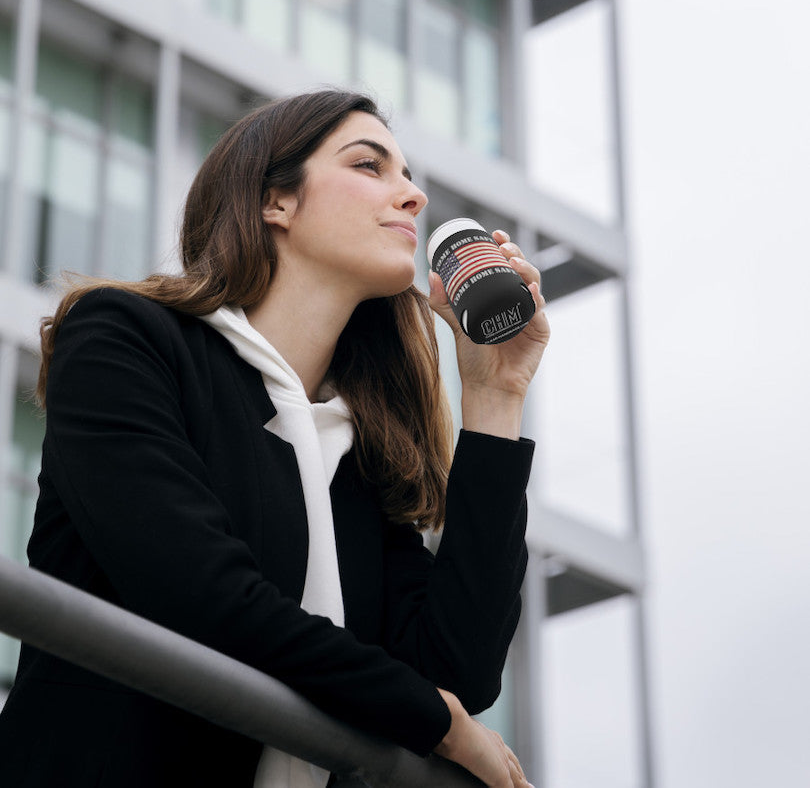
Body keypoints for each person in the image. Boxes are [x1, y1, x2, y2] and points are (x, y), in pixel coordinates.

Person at [0, 89, 549, 787]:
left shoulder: (357, 451)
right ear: (275, 202)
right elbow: (202, 595)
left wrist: (495, 396)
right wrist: (434, 721)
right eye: (369, 165)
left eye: (409, 176)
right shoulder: (124, 340)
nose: (410, 195)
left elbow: (455, 670)